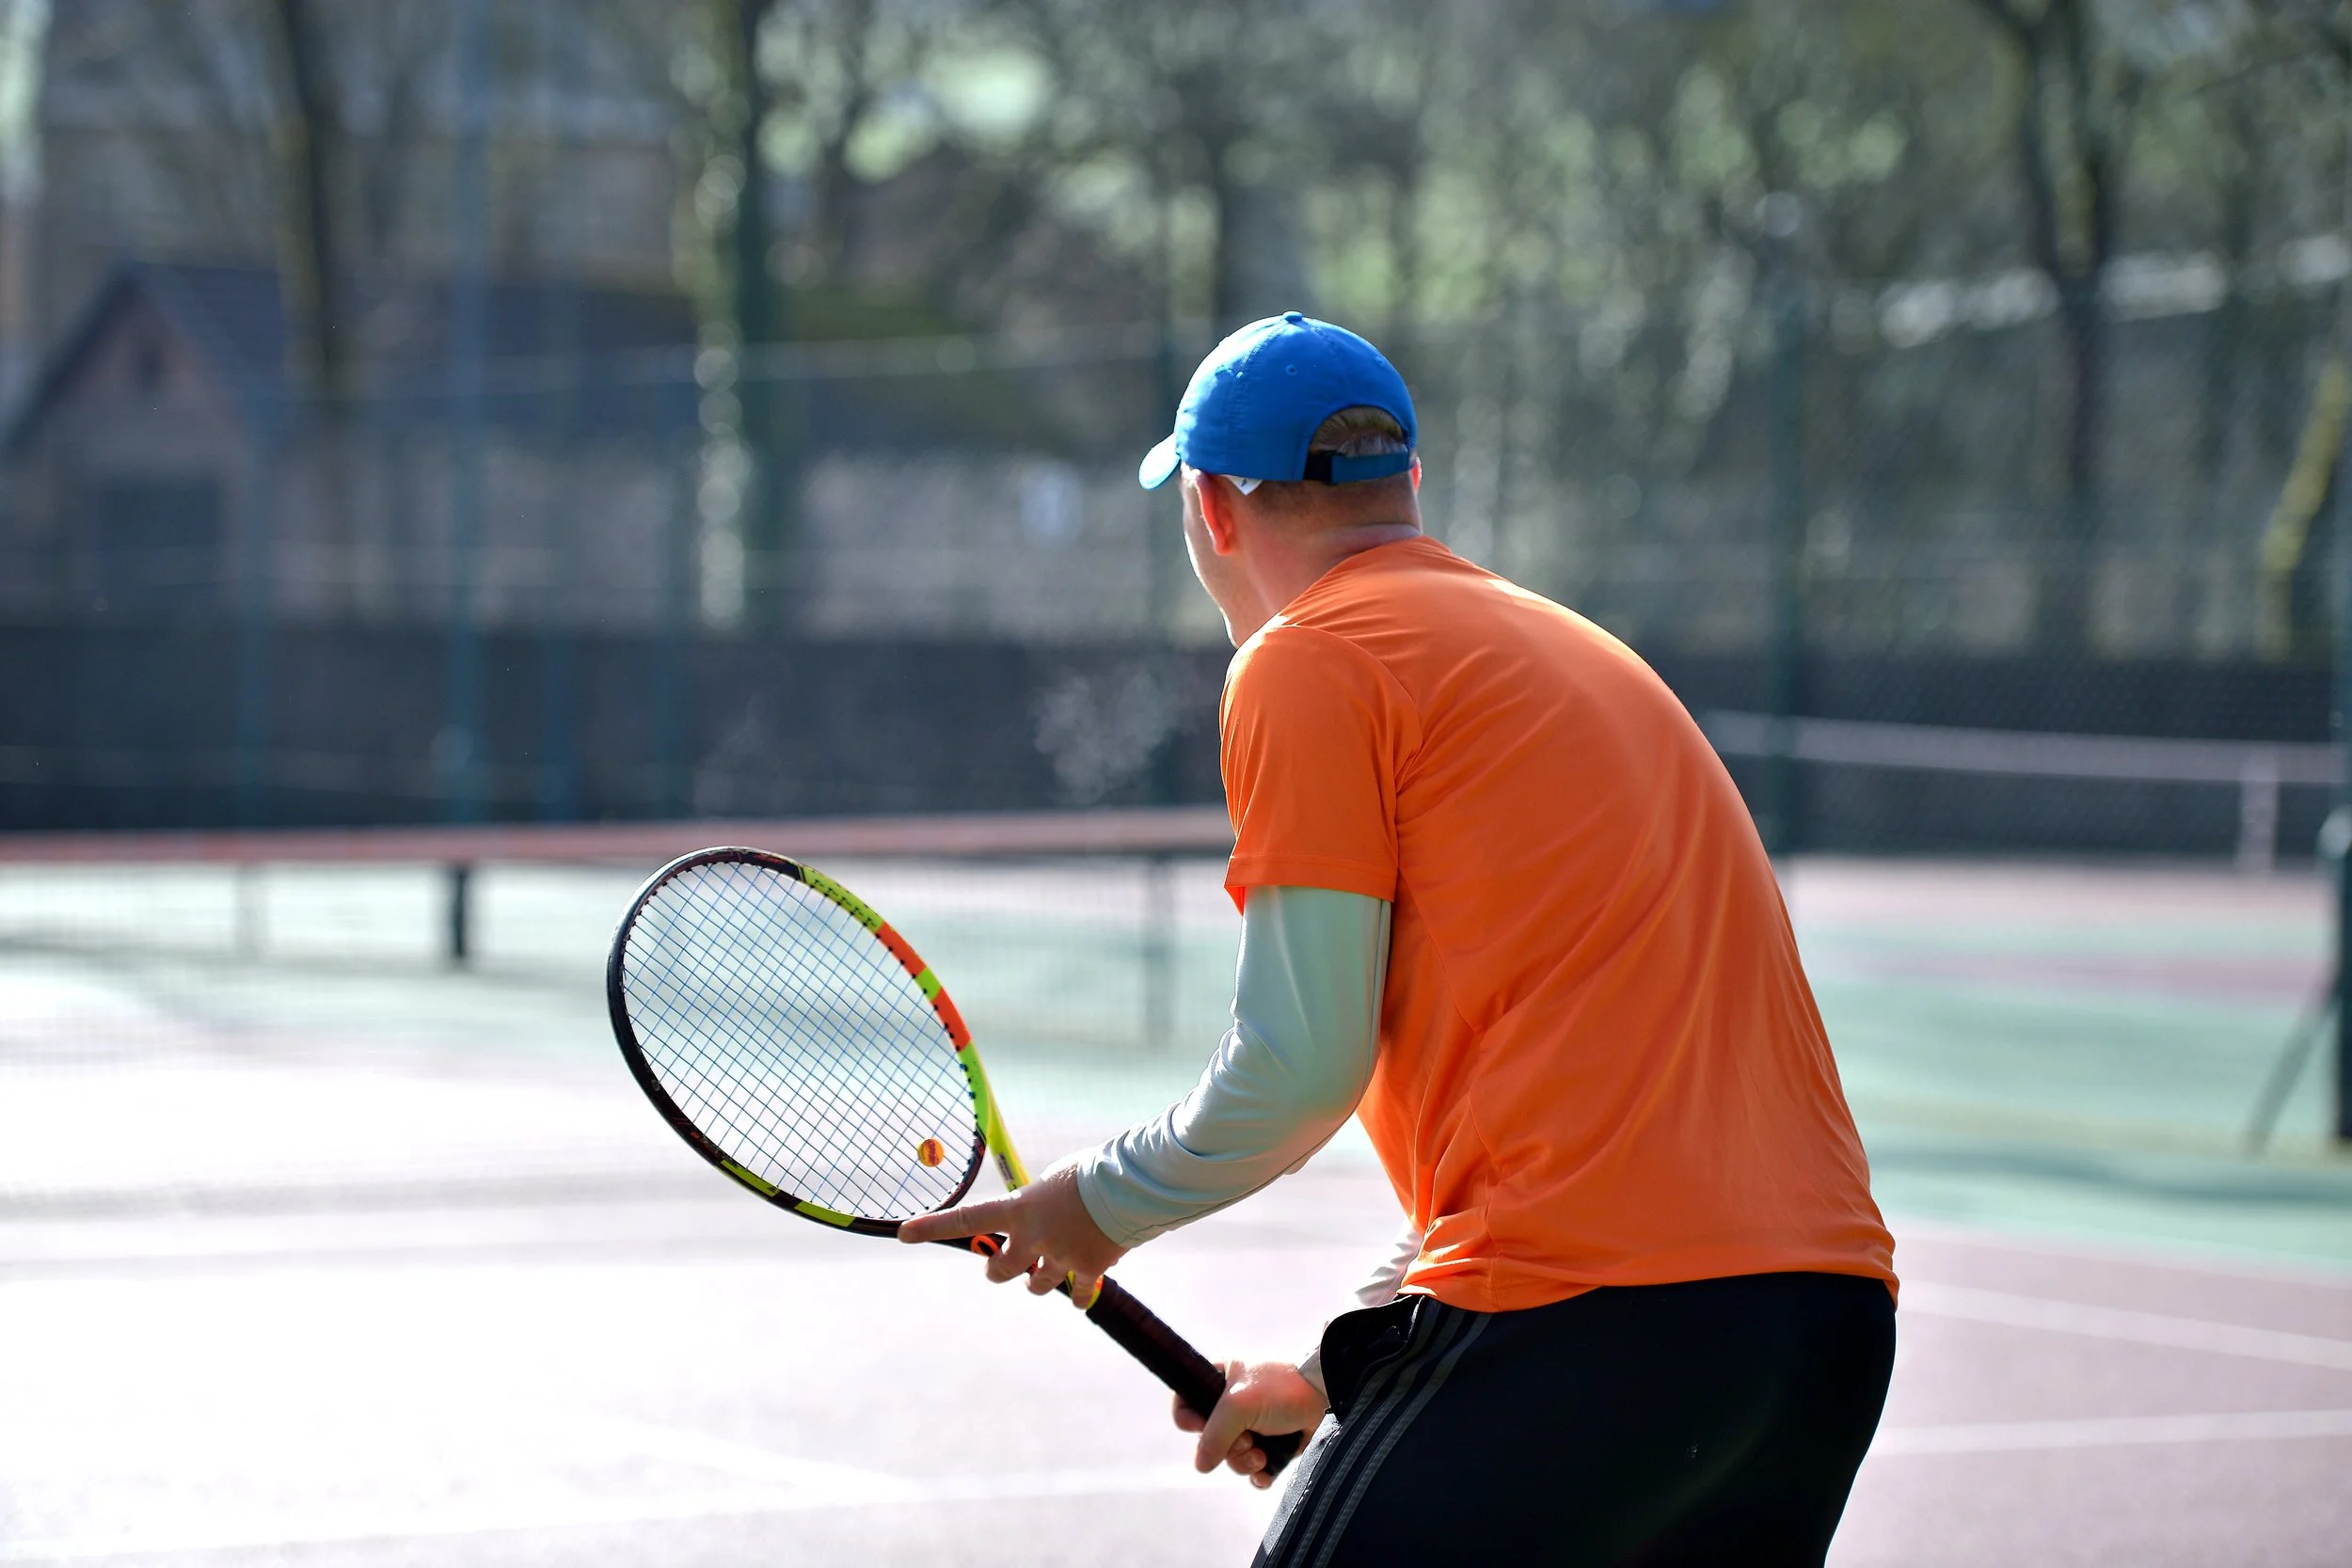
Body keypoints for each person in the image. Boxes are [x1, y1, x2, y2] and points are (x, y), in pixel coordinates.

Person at [901, 311, 1898, 1566]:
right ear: (1408, 485)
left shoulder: (1308, 660)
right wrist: (1329, 1370)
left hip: (1584, 1321)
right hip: (1816, 1338)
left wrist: (1090, 1207)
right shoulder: (1578, 653)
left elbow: (1295, 1070)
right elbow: (1577, 1119)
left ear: (1210, 508)